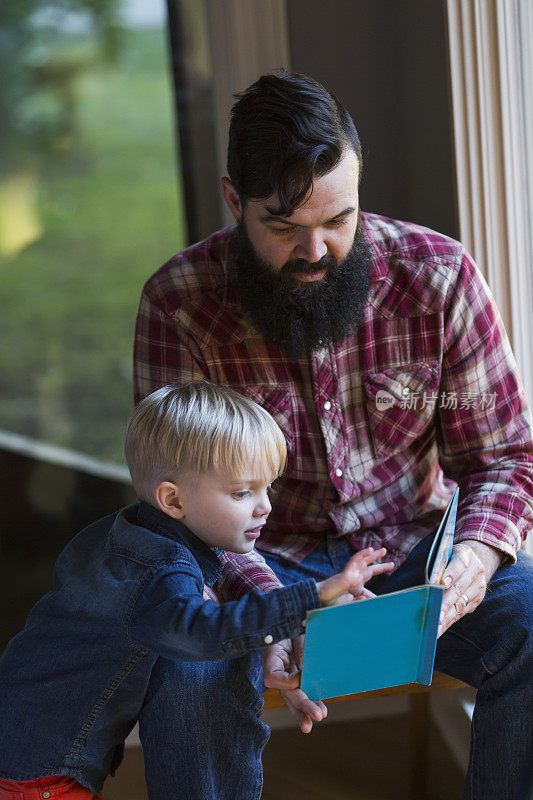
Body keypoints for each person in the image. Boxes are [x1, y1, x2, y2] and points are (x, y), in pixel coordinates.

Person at [134, 72, 533, 798]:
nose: (317, 251)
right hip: (255, 561)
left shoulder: (439, 276)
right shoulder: (178, 304)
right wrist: (279, 610)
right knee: (183, 665)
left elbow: (504, 457)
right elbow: (178, 510)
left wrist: (473, 558)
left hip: (415, 555)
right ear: (234, 200)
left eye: (338, 220)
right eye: (284, 227)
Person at [0, 381, 395, 799]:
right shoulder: (160, 574)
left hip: (20, 729)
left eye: (267, 487)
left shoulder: (121, 532)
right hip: (42, 772)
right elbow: (209, 633)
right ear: (173, 500)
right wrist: (315, 596)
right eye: (242, 492)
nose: (265, 506)